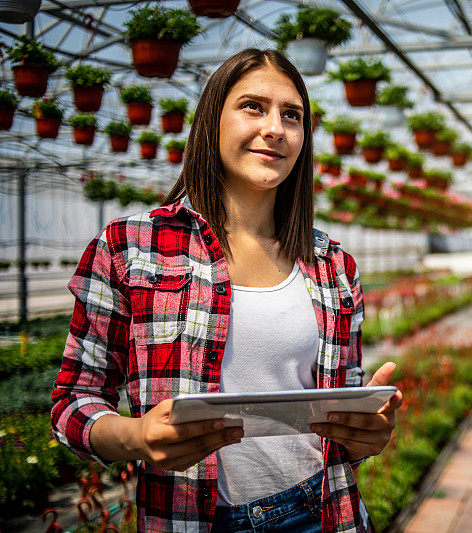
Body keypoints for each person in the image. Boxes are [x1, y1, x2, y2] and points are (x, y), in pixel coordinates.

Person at [51, 48, 402, 533]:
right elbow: (73, 401)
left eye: (292, 115)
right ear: (211, 122)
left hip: (322, 511)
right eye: (253, 106)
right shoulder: (129, 248)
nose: (276, 128)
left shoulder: (334, 266)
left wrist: (365, 434)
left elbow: (341, 416)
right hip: (192, 518)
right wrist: (135, 436)